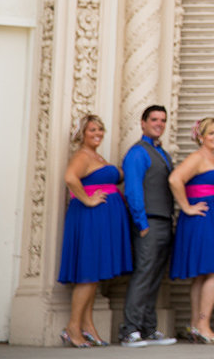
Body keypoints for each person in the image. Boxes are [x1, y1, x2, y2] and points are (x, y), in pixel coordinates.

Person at [59, 113, 132, 348]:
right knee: (88, 273)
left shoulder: (96, 156)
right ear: (82, 133)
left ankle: (88, 326)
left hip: (102, 219)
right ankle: (72, 327)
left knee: (94, 274)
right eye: (92, 130)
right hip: (89, 217)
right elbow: (70, 178)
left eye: (100, 129)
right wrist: (88, 200)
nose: (98, 133)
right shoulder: (82, 155)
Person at [168, 116, 214, 344]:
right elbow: (175, 179)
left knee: (203, 274)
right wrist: (186, 207)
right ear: (200, 137)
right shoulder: (197, 157)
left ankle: (196, 324)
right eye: (211, 133)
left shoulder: (212, 158)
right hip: (204, 219)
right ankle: (203, 323)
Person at [118, 105, 178, 347]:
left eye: (163, 120)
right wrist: (141, 223)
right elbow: (133, 190)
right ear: (142, 123)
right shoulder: (137, 153)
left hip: (163, 220)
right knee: (144, 274)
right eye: (154, 119)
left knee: (155, 277)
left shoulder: (162, 153)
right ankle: (129, 330)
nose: (159, 124)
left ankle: (148, 328)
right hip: (149, 222)